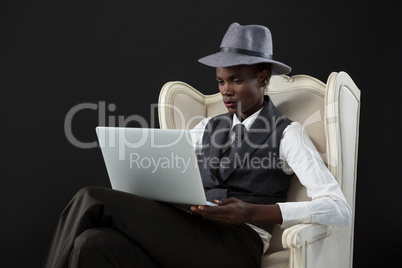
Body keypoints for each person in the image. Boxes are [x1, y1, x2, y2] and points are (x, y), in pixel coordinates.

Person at [43, 22, 351, 268]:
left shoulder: (287, 133)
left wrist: (252, 212)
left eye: (237, 80)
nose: (226, 92)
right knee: (92, 243)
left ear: (263, 78)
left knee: (91, 198)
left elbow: (338, 209)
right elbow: (165, 172)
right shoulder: (206, 128)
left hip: (237, 246)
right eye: (220, 81)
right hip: (191, 235)